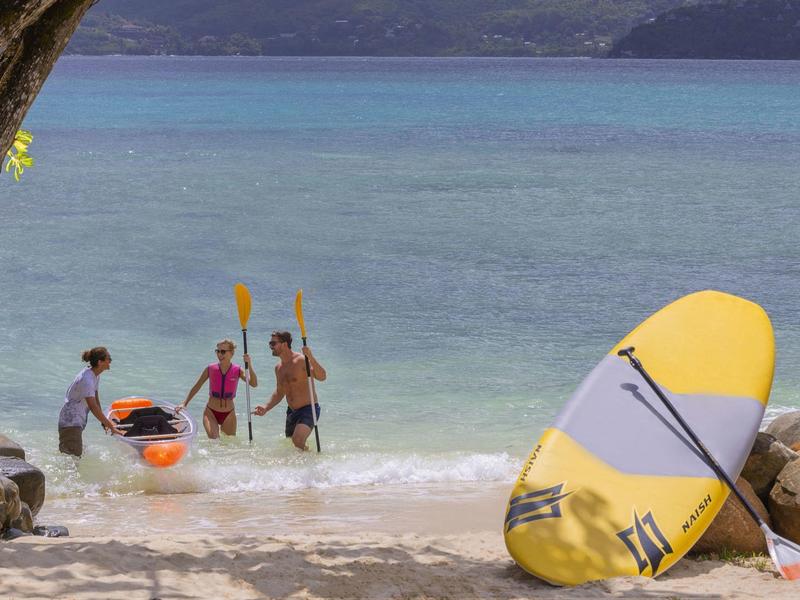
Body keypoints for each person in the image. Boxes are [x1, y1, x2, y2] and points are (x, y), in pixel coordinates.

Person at [253, 330, 326, 450]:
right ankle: (304, 464)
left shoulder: (302, 360)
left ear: (284, 344)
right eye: (270, 343)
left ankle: (312, 463)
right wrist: (266, 407)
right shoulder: (278, 368)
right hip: (291, 411)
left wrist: (311, 357)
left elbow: (322, 377)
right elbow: (280, 392)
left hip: (309, 408)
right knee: (292, 446)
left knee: (297, 440)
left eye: (273, 343)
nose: (270, 347)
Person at [179, 339, 257, 438]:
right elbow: (197, 386)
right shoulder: (210, 369)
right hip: (211, 412)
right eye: (218, 351)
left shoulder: (237, 370)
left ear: (231, 353)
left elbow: (254, 383)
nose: (220, 354)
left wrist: (249, 364)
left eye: (223, 351)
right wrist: (184, 403)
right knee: (214, 442)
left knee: (229, 444)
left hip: (229, 413)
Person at [58, 347, 123, 457]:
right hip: (70, 423)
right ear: (100, 362)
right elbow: (93, 407)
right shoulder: (87, 379)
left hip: (76, 422)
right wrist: (111, 426)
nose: (110, 361)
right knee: (73, 460)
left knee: (76, 457)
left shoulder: (94, 375)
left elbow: (96, 399)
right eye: (109, 358)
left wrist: (104, 422)